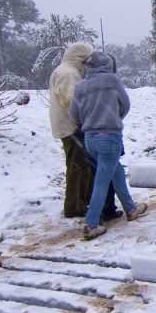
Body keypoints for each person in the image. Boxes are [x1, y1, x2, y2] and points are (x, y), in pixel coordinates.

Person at [69, 51, 148, 240]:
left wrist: (91, 121)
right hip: (109, 137)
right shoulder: (112, 81)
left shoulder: (80, 86)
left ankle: (130, 209)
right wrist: (113, 118)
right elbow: (125, 105)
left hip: (89, 138)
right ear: (107, 65)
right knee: (102, 181)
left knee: (116, 172)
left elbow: (73, 114)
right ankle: (91, 224)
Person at [48, 43, 118, 221]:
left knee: (82, 165)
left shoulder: (63, 70)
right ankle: (74, 206)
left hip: (67, 124)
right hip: (71, 126)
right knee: (77, 166)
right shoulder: (69, 73)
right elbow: (73, 101)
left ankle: (83, 202)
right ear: (80, 58)